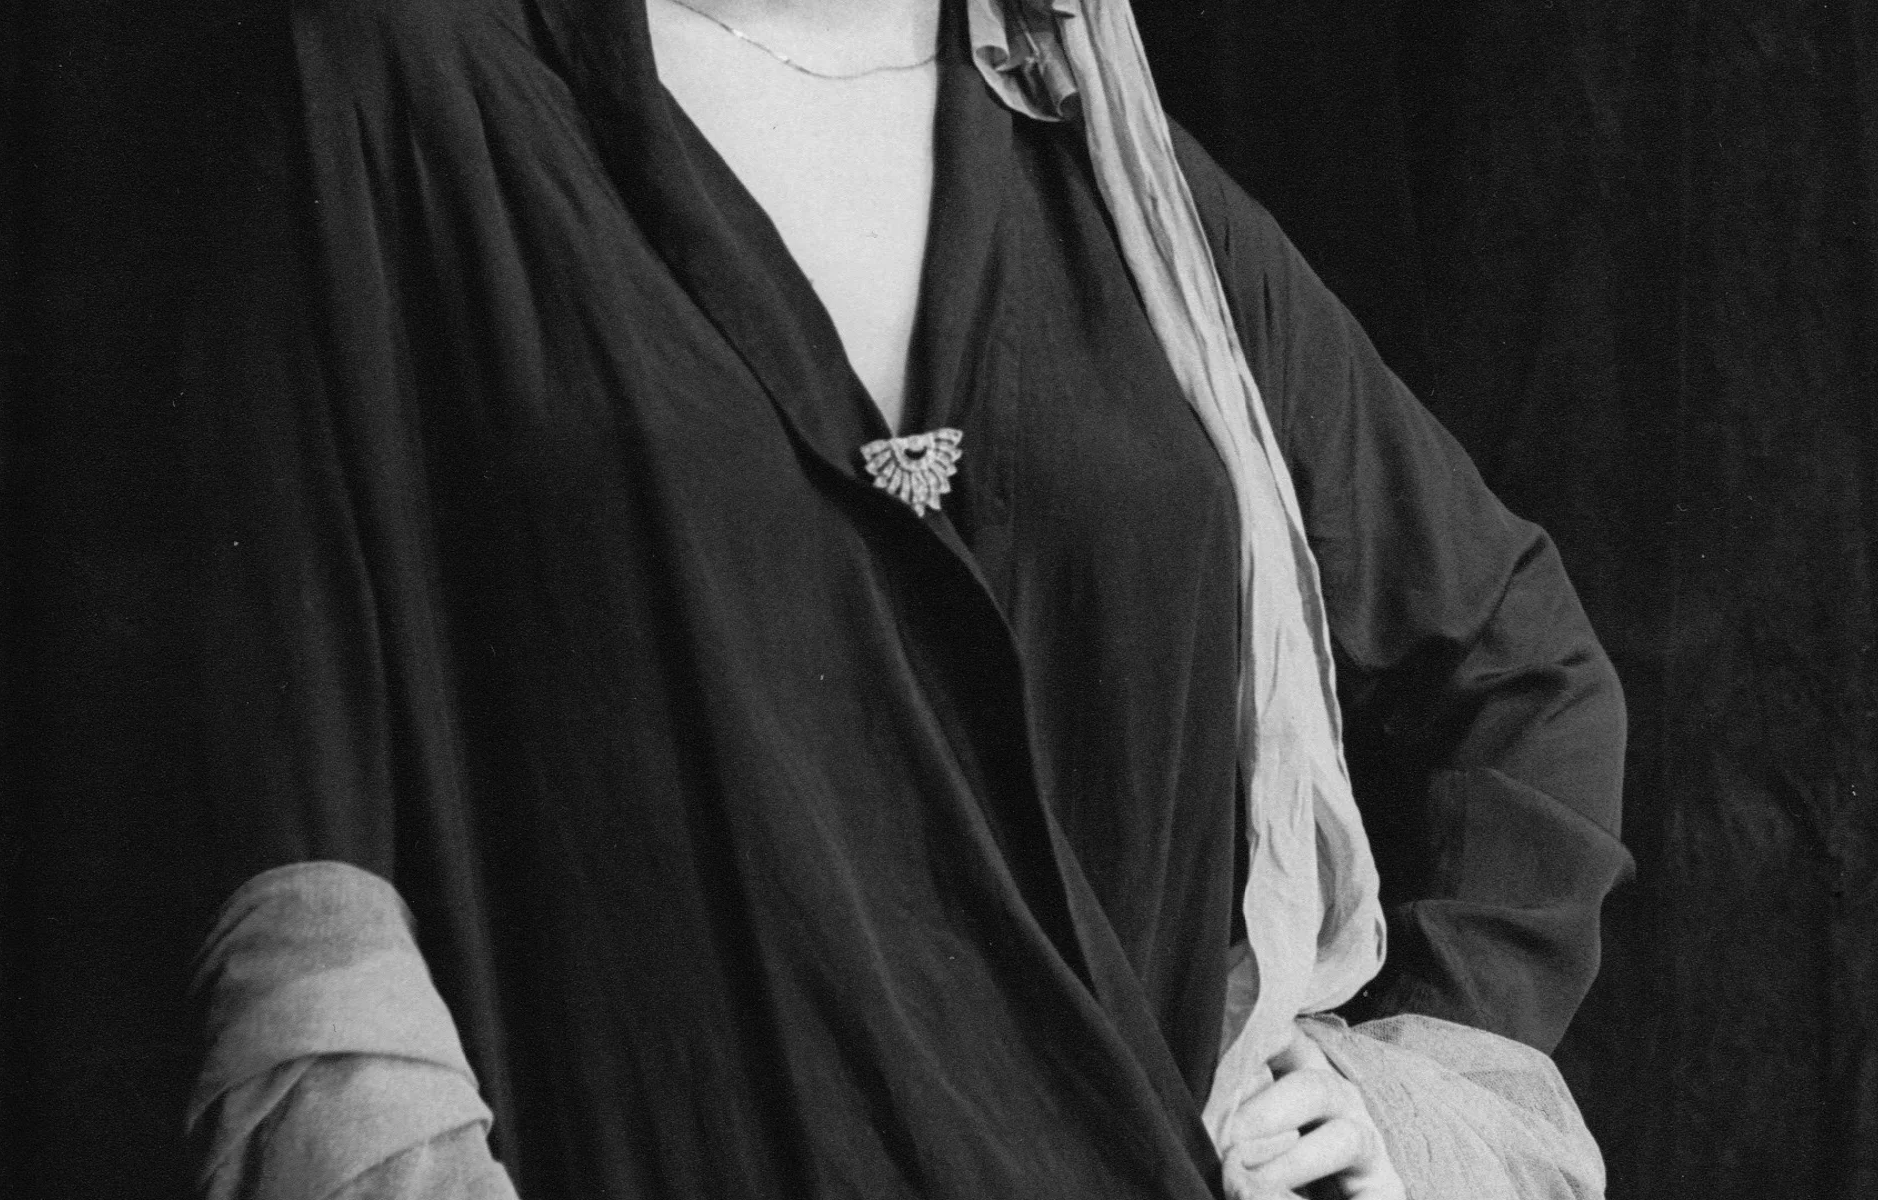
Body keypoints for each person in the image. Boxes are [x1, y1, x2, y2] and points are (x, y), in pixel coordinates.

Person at [174, 0, 1633, 1197]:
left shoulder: (1118, 177)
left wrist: (1407, 1101)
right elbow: (304, 869)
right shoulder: (407, 84)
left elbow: (1523, 667)